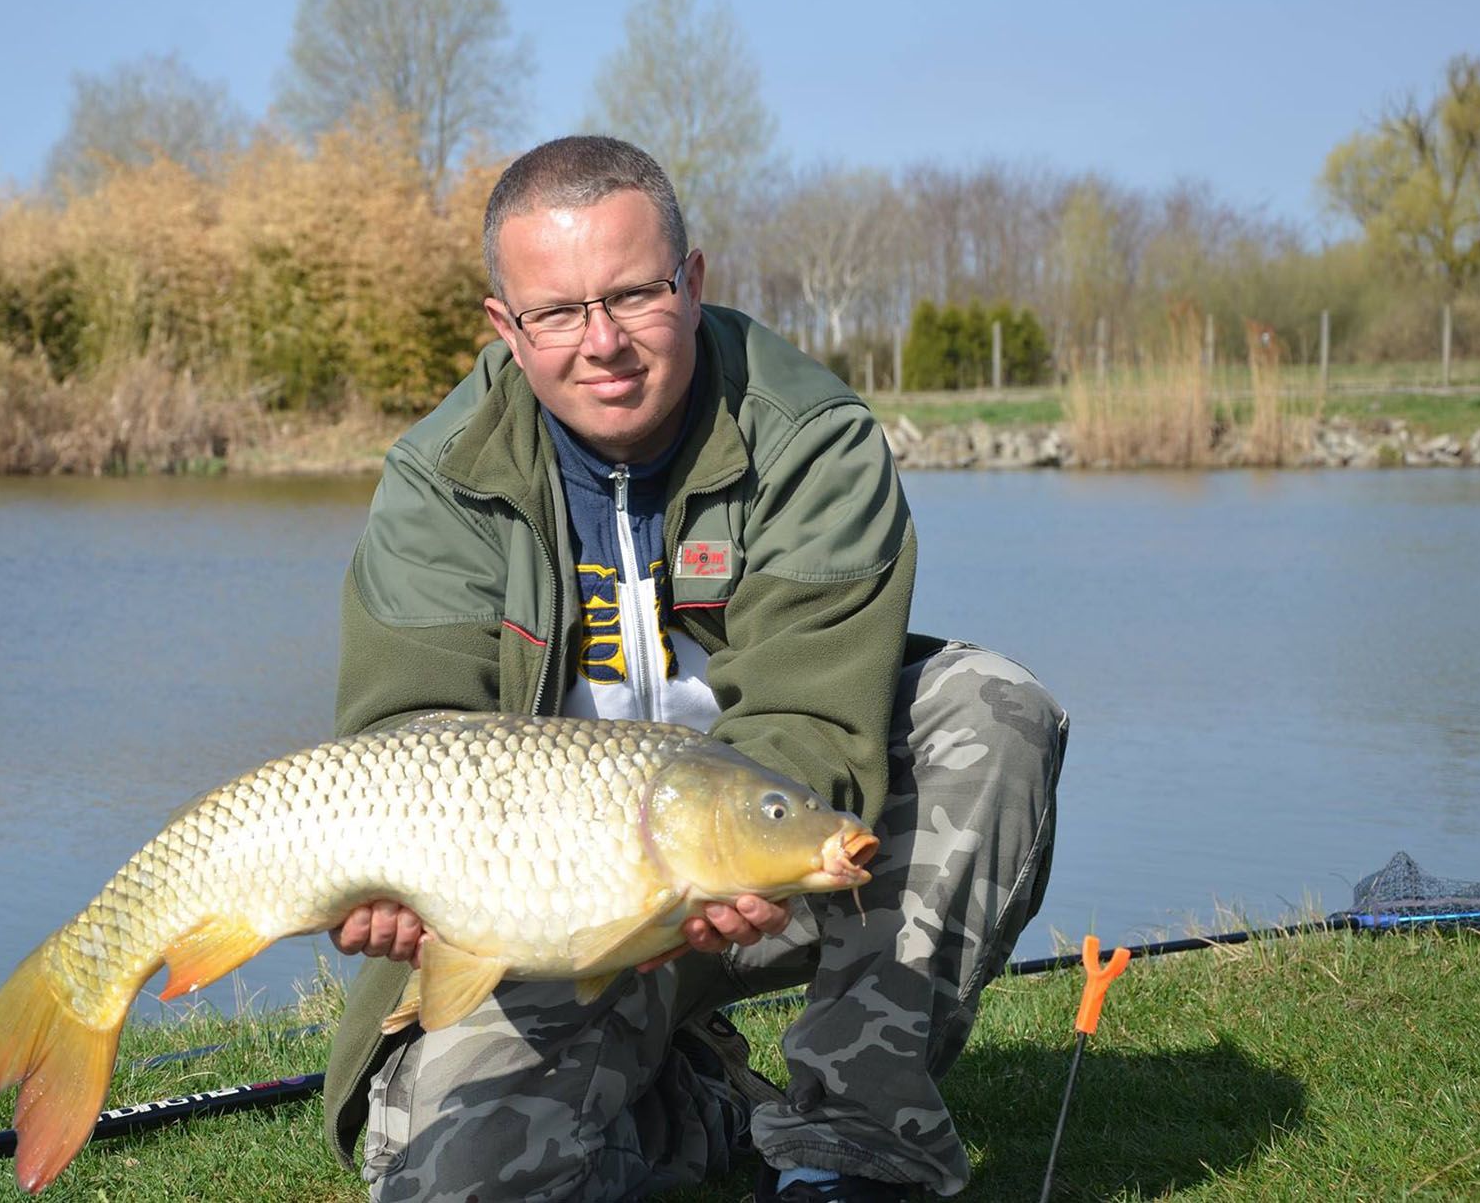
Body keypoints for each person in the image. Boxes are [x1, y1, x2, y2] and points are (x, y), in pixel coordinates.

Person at [320, 136, 1066, 1203]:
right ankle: (702, 1100)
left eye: (634, 294)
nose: (602, 342)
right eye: (558, 311)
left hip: (764, 863)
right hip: (543, 912)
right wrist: (393, 890)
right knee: (449, 1177)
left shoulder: (810, 435)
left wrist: (717, 856)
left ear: (694, 279)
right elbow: (409, 741)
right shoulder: (439, 482)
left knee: (986, 707)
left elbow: (814, 720)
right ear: (505, 326)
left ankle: (848, 1150)